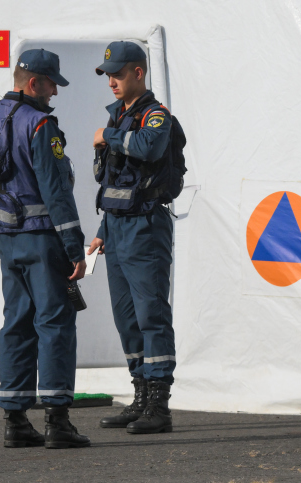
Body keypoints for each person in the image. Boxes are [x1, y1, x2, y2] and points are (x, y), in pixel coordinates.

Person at [0, 49, 90, 449]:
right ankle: (58, 421)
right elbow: (57, 192)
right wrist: (75, 248)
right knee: (55, 324)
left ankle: (16, 420)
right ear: (34, 82)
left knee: (16, 323)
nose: (55, 91)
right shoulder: (40, 126)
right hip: (43, 239)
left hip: (8, 241)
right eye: (52, 82)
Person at [88, 41, 178, 434]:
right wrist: (101, 232)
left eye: (118, 73)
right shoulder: (118, 117)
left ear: (138, 73)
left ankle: (159, 406)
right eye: (108, 74)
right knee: (126, 319)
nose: (111, 80)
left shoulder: (155, 115)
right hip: (118, 228)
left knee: (151, 315)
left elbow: (149, 147)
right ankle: (140, 397)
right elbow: (113, 184)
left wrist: (108, 136)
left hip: (145, 226)